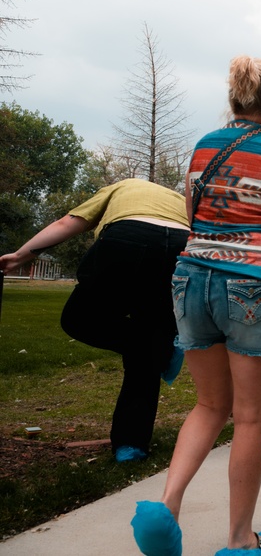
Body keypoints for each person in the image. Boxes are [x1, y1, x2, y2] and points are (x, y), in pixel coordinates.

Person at [131, 56, 261, 556]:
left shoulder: (202, 149)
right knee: (248, 417)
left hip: (191, 281)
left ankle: (167, 506)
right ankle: (241, 539)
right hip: (255, 286)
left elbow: (191, 213)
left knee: (208, 404)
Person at [0, 178, 189, 463]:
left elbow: (67, 223)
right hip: (182, 248)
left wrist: (20, 256)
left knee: (79, 318)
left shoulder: (121, 187)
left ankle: (159, 346)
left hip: (128, 239)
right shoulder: (178, 199)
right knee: (147, 348)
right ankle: (131, 444)